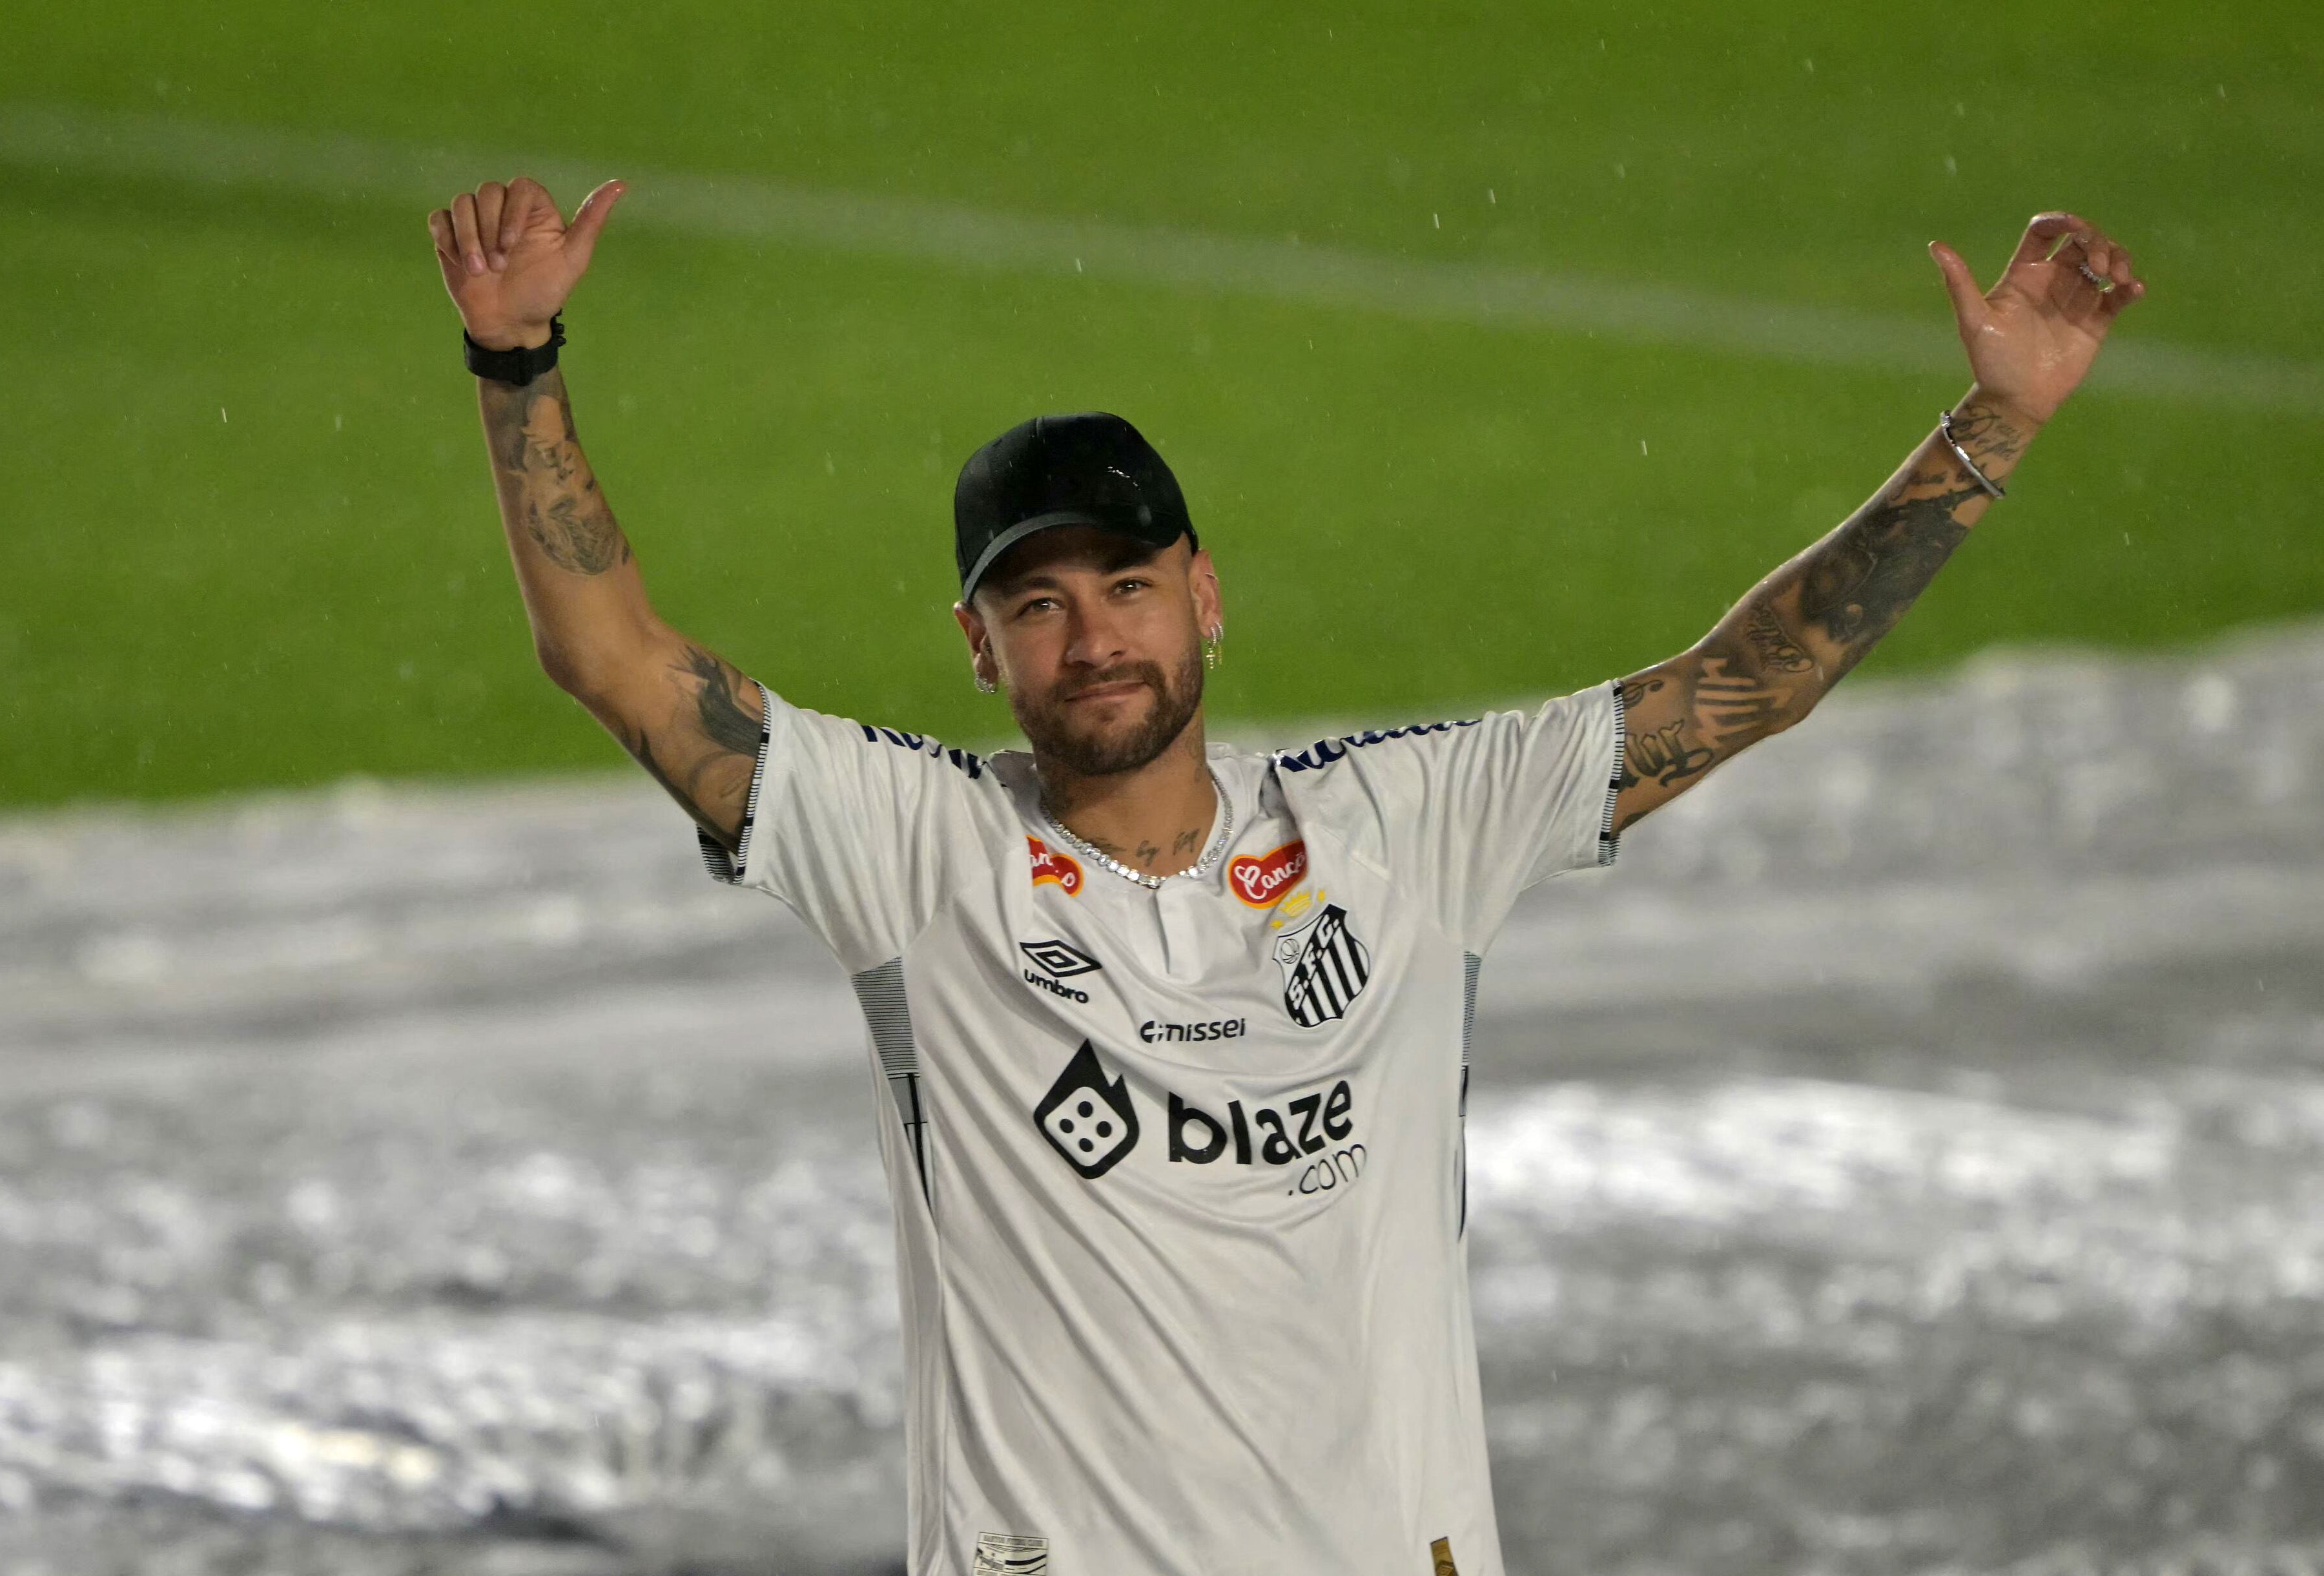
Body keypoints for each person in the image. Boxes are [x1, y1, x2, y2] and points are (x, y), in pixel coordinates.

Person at [427, 177, 2143, 1575]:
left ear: (1207, 595)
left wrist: (1993, 422)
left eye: (1128, 585)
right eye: (1038, 604)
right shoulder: (915, 849)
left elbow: (1740, 683)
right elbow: (616, 658)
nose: (1093, 636)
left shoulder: (1403, 829)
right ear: (976, 647)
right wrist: (520, 365)